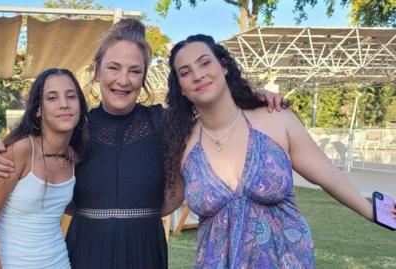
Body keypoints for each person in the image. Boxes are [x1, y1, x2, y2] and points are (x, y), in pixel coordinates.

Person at [0, 19, 286, 269]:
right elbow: (34, 148)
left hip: (145, 249)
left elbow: (215, 111)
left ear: (143, 78)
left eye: (134, 71)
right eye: (113, 68)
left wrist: (253, 99)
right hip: (85, 250)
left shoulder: (165, 122)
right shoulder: (75, 126)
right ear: (97, 71)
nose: (123, 80)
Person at [163, 34, 396, 268]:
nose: (198, 75)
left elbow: (330, 176)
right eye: (185, 72)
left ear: (223, 66)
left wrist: (378, 213)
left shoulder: (275, 119)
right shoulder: (182, 146)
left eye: (205, 63)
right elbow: (163, 204)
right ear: (180, 88)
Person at [0, 68, 89, 269]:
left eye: (71, 96)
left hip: (59, 263)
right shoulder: (20, 151)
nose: (64, 104)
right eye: (52, 98)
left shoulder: (73, 156)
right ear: (38, 109)